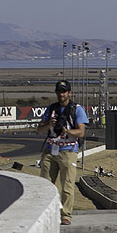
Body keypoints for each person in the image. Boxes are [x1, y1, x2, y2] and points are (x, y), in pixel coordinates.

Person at [36, 80, 88, 225]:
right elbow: (39, 129)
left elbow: (81, 132)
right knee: (46, 184)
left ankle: (66, 215)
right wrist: (49, 124)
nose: (61, 94)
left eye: (64, 91)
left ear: (69, 93)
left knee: (67, 185)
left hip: (68, 150)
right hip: (50, 149)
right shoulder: (51, 109)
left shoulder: (76, 109)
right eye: (59, 91)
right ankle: (47, 213)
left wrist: (66, 131)